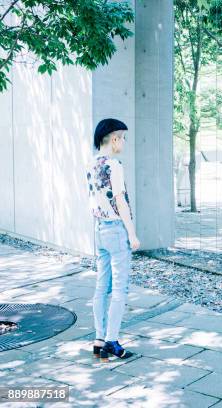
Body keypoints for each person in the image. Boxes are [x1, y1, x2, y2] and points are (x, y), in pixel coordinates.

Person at [86, 118, 140, 361]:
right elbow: (120, 201)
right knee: (120, 288)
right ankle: (112, 341)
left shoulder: (91, 164)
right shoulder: (114, 165)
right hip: (116, 230)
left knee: (101, 285)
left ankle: (99, 338)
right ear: (115, 138)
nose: (124, 143)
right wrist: (132, 233)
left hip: (99, 229)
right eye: (123, 138)